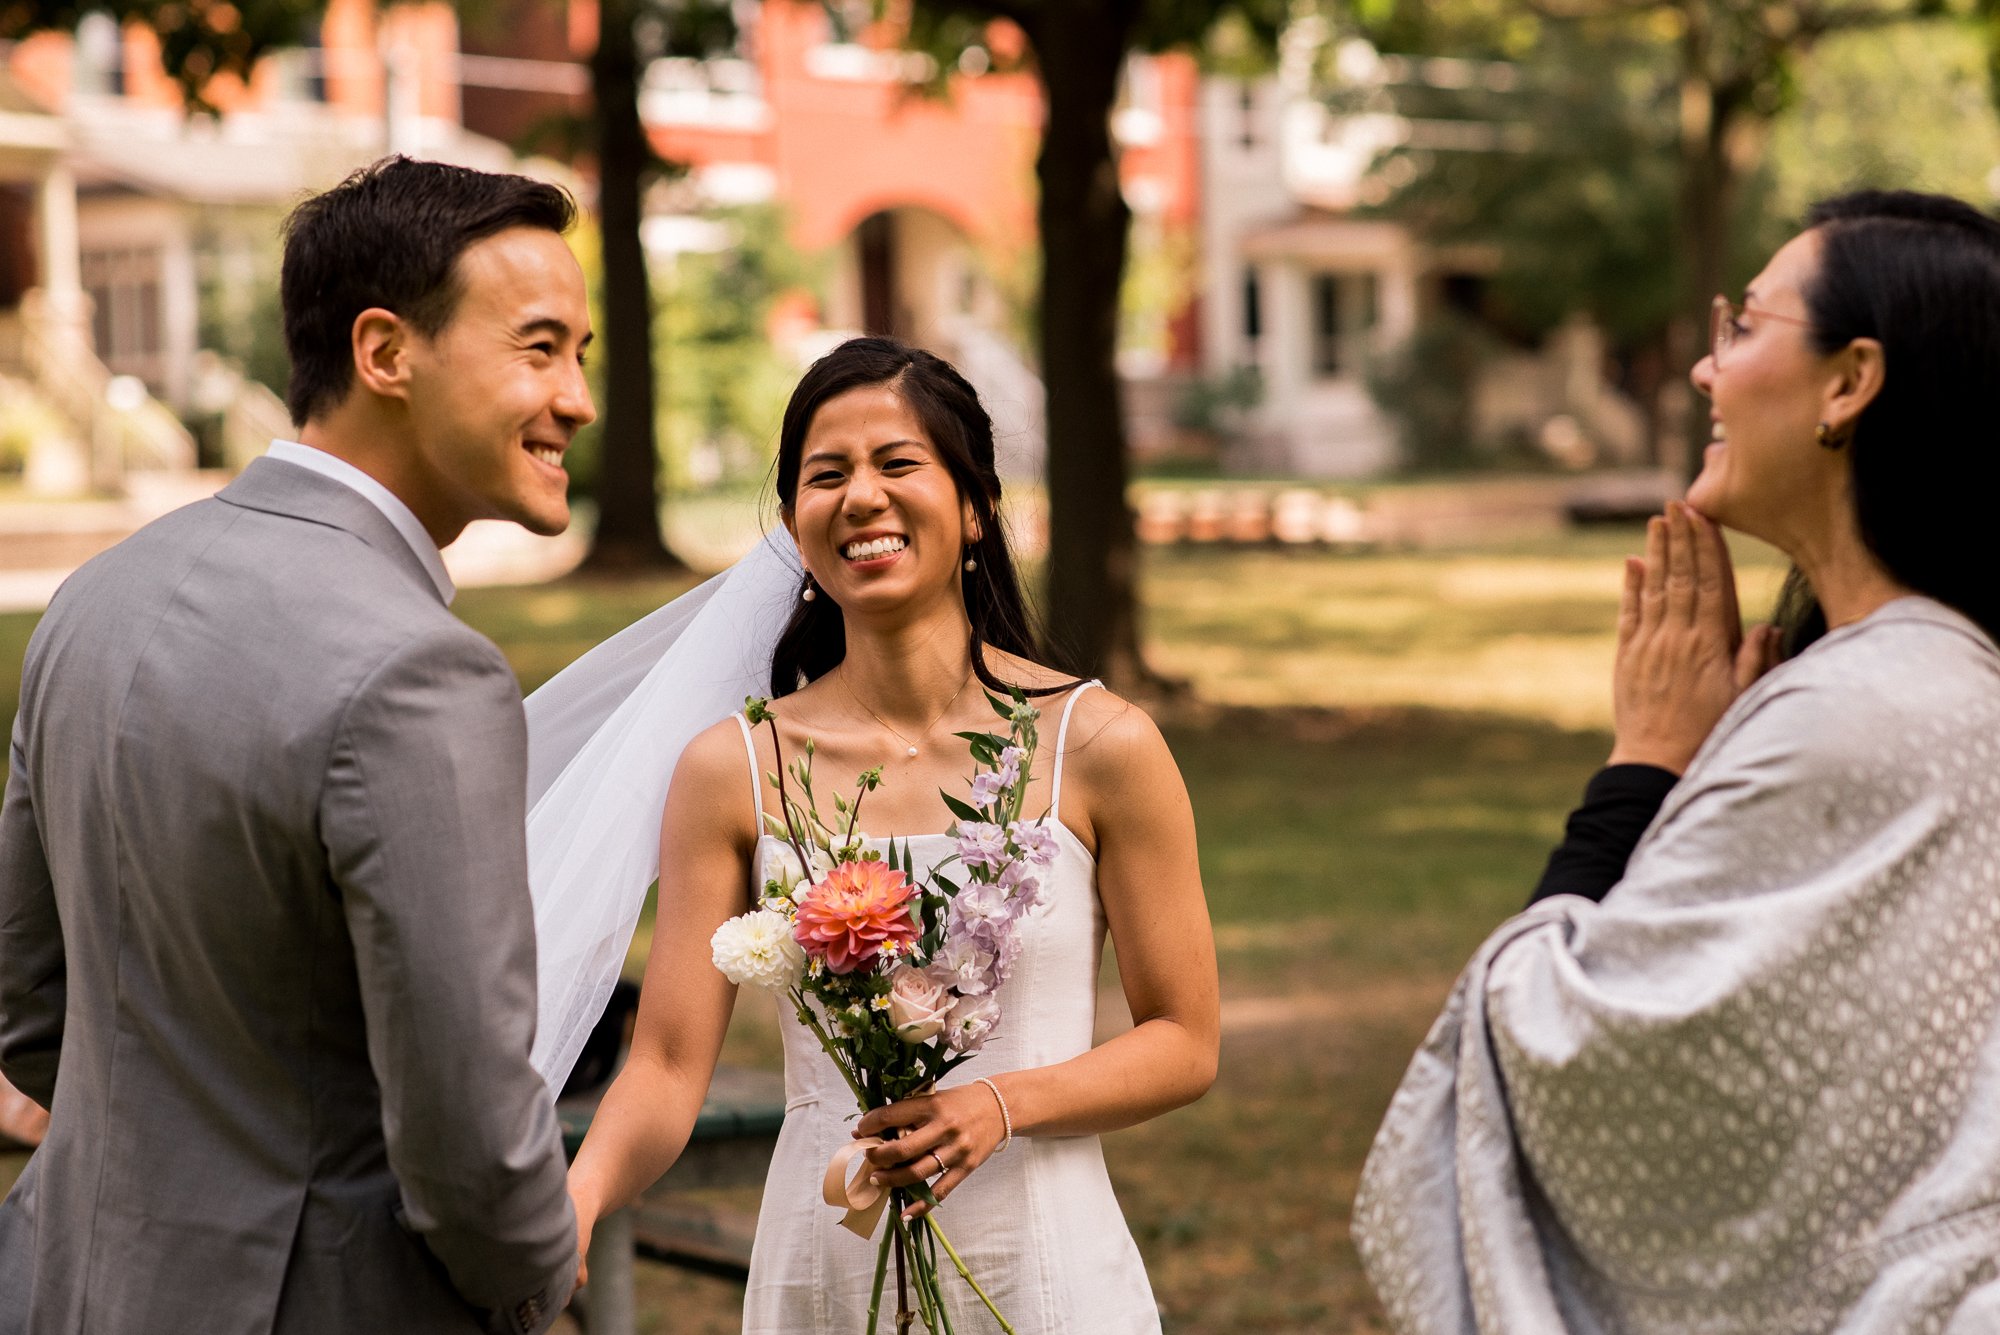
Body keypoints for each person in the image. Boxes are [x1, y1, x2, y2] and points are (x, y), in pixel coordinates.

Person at [1354, 189, 2000, 1332]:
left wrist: (1641, 772)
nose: (1705, 371)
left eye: (1742, 328)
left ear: (1849, 383)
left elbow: (1556, 1048)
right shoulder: (1917, 682)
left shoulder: (1863, 712)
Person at [0, 157, 592, 1334]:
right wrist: (533, 1270)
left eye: (581, 356)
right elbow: (467, 1133)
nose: (575, 397)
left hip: (75, 1280)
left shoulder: (96, 596)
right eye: (538, 348)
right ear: (385, 353)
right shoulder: (421, 671)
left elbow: (26, 999)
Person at [555, 337, 1220, 1332]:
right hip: (823, 1269)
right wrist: (577, 1195)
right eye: (825, 476)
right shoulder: (732, 769)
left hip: (1044, 1274)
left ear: (973, 508)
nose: (860, 496)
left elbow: (1183, 1038)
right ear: (794, 524)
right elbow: (662, 1065)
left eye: (897, 463)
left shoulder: (1103, 745)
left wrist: (1003, 1104)